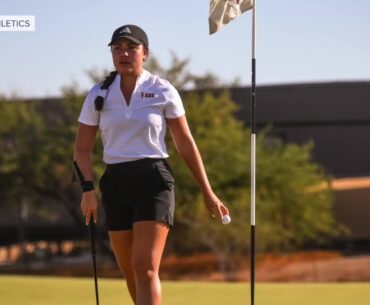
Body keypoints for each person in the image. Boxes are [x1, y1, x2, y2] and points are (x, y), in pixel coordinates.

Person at [73, 24, 229, 305]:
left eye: (131, 47)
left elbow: (185, 144)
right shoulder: (98, 94)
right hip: (115, 182)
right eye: (117, 48)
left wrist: (208, 191)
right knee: (131, 272)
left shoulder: (162, 90)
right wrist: (87, 189)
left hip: (153, 180)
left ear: (145, 53)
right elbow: (82, 149)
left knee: (145, 268)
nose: (124, 53)